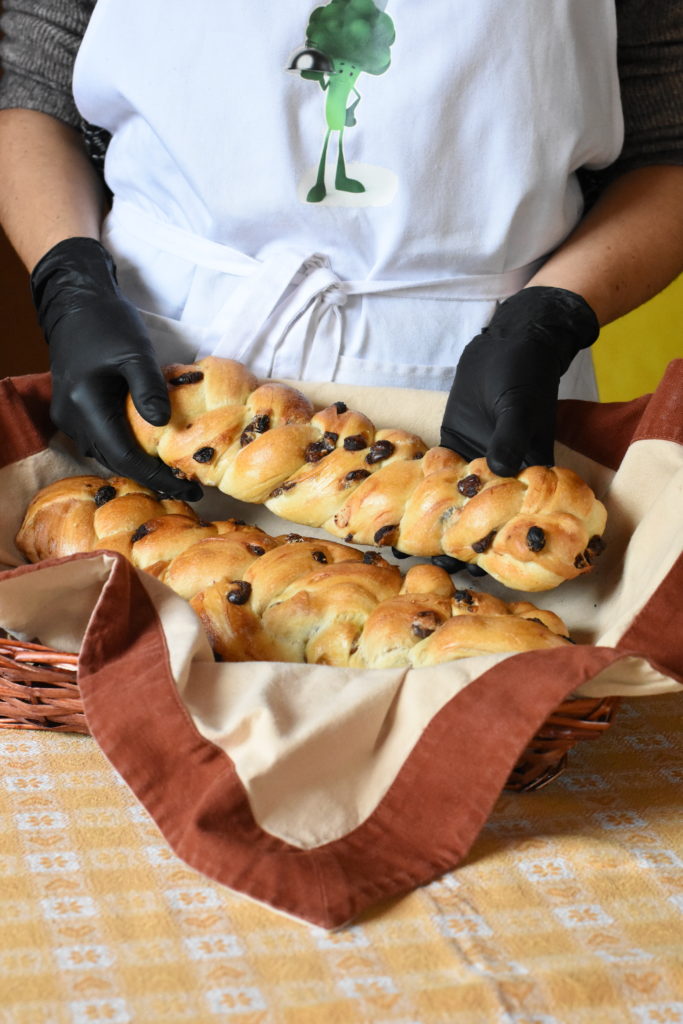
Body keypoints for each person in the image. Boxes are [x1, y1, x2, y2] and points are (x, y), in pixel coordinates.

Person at [0, 0, 682, 511]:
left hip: (481, 407)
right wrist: (71, 281)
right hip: (156, 381)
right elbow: (33, 85)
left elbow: (667, 148)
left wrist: (544, 318)